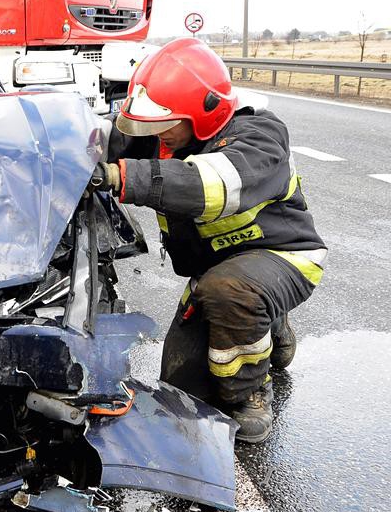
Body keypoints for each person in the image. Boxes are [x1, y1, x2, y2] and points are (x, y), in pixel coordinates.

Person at [91, 37, 326, 443]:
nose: (156, 132)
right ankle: (267, 320)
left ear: (202, 112)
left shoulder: (260, 136)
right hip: (217, 270)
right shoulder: (168, 135)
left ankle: (250, 391)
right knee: (181, 391)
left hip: (282, 258)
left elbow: (206, 184)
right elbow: (103, 137)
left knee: (230, 296)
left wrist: (120, 176)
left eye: (165, 122)